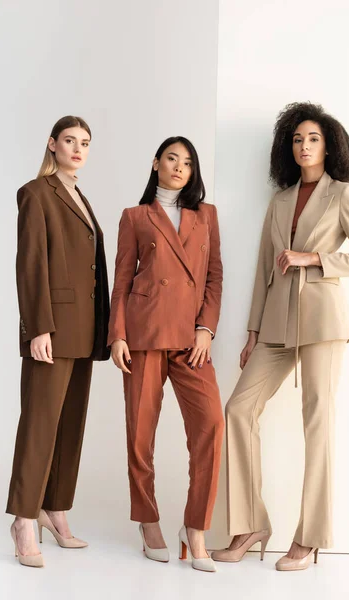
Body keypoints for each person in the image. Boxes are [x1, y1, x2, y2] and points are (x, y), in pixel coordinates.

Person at [212, 102, 349, 571]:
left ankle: (309, 538)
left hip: (323, 321)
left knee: (317, 423)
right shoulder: (280, 200)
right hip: (274, 325)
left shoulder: (343, 195)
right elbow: (265, 269)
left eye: (312, 138)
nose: (303, 146)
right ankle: (250, 524)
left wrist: (314, 259)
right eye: (297, 139)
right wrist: (251, 331)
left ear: (328, 146)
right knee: (239, 408)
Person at [108, 136, 224, 572]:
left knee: (211, 423)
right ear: (156, 163)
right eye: (172, 159)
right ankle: (148, 519)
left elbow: (214, 278)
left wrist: (206, 329)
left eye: (188, 162)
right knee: (140, 433)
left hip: (192, 341)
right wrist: (117, 334)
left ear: (193, 172)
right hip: (143, 333)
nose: (179, 167)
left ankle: (195, 527)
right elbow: (121, 280)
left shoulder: (205, 216)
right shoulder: (135, 216)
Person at [7, 116, 110, 567]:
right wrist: (38, 328)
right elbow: (31, 265)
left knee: (70, 425)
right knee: (39, 425)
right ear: (52, 144)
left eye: (84, 142)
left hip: (85, 329)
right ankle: (23, 520)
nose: (77, 148)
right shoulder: (35, 194)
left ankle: (55, 508)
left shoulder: (80, 197)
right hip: (53, 327)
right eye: (69, 140)